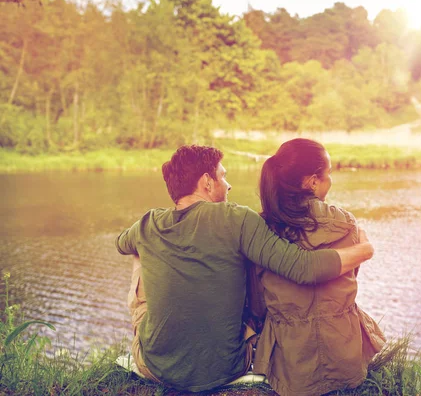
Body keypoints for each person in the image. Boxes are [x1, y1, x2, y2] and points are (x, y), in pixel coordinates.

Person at [115, 145, 375, 393]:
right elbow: (303, 267)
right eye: (223, 176)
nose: (228, 185)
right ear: (207, 182)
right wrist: (364, 250)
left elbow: (120, 243)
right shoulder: (237, 218)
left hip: (155, 367)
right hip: (228, 368)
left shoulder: (148, 223)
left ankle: (161, 342)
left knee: (139, 253)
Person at [249, 138, 386, 396]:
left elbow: (258, 302)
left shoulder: (263, 229)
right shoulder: (347, 223)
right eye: (329, 173)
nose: (331, 180)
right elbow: (351, 276)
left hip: (291, 367)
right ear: (313, 181)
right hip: (345, 361)